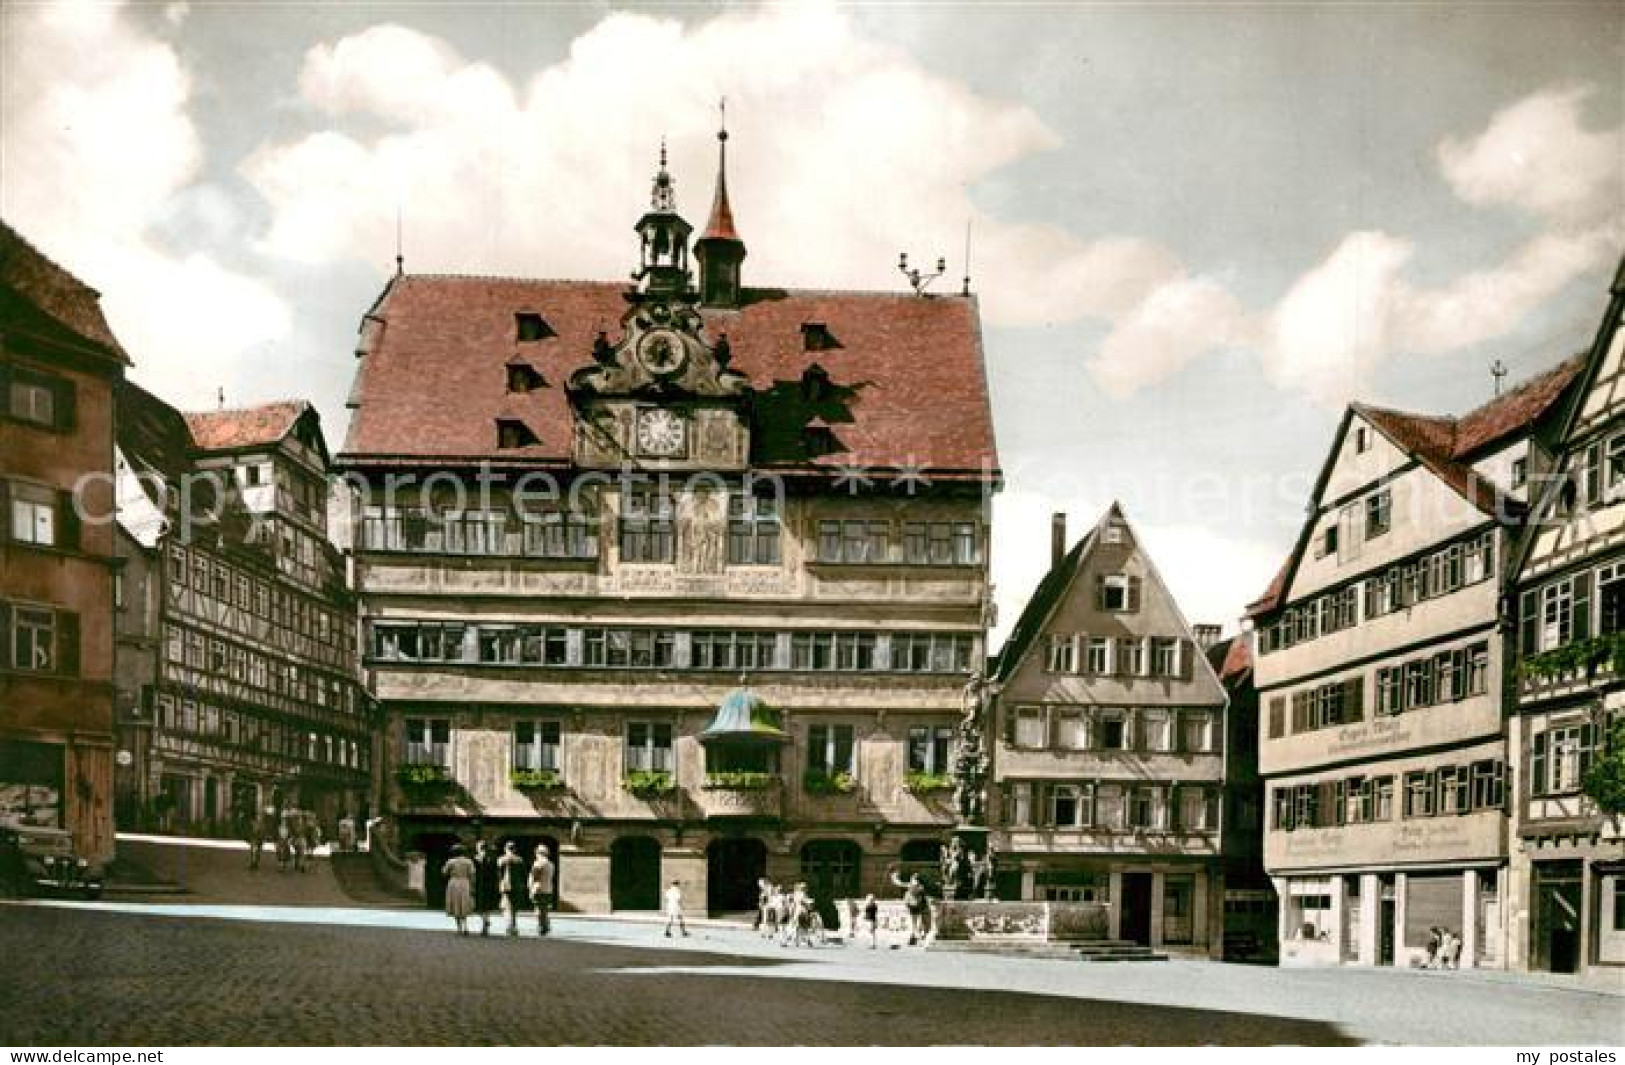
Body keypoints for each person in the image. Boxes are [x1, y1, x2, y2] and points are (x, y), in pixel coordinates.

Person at [442, 844, 476, 935]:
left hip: (454, 882)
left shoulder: (451, 861)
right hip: (465, 882)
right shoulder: (469, 861)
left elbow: (444, 872)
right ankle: (465, 926)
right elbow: (472, 874)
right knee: (464, 904)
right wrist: (472, 886)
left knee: (455, 904)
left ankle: (459, 928)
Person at [890, 868, 928, 946]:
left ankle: (915, 937)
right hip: (918, 905)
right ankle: (915, 937)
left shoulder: (911, 885)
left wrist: (894, 876)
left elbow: (898, 883)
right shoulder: (921, 887)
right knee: (918, 922)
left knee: (914, 922)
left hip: (912, 905)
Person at [497, 840, 527, 936]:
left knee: (507, 907)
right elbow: (524, 874)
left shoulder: (501, 859)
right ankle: (513, 925)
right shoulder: (520, 860)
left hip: (505, 886)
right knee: (514, 907)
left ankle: (510, 926)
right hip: (517, 886)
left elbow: (498, 874)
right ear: (514, 849)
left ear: (506, 849)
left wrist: (500, 883)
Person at [473, 839, 501, 936]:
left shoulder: (476, 858)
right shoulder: (492, 858)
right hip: (489, 885)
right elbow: (496, 873)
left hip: (479, 885)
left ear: (478, 848)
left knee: (480, 906)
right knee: (487, 906)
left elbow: (473, 872)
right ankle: (486, 921)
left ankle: (485, 923)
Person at [529, 845, 556, 937]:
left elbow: (535, 878)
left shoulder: (538, 864)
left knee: (538, 909)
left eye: (536, 853)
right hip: (548, 889)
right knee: (544, 909)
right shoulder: (551, 864)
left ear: (539, 853)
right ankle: (545, 926)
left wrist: (532, 889)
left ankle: (541, 926)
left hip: (539, 889)